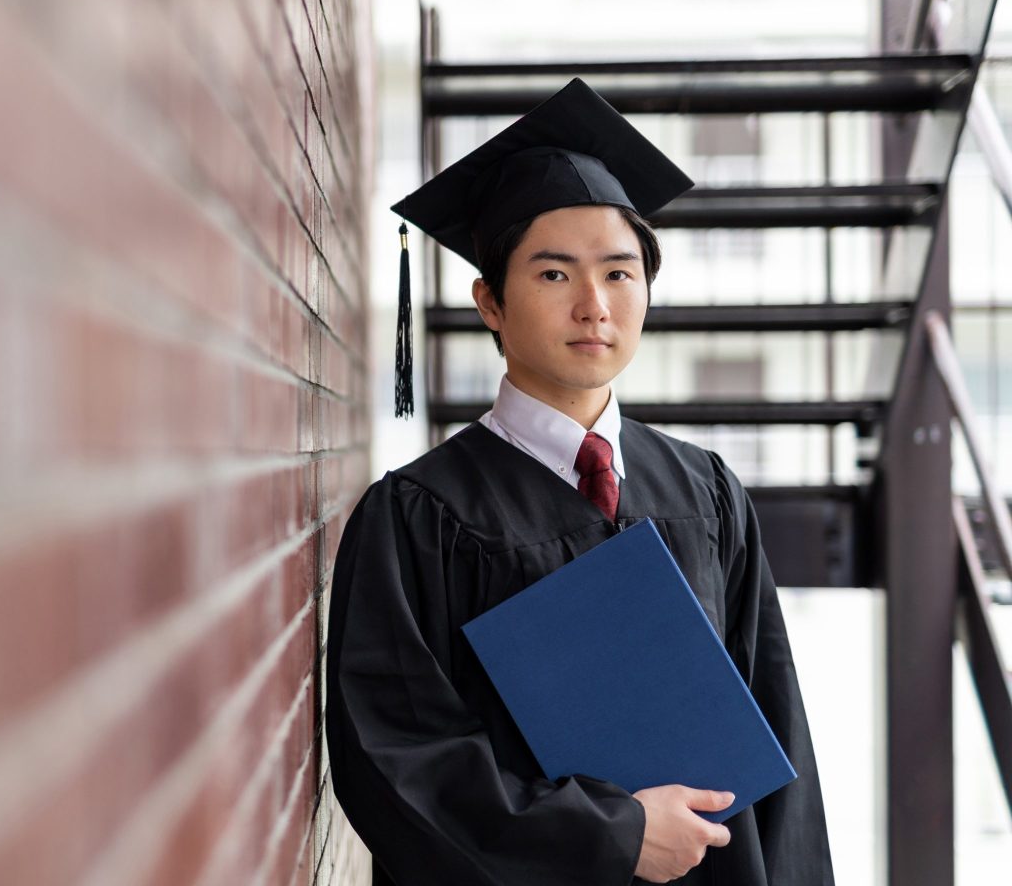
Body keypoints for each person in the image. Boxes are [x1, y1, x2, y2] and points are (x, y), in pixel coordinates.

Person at [326, 79, 834, 885]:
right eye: (554, 275)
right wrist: (614, 834)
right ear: (490, 301)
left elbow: (777, 733)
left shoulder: (705, 492)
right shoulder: (417, 515)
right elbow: (394, 760)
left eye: (620, 274)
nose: (594, 306)